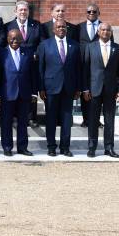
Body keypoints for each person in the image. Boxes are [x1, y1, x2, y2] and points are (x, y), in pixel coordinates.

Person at [37, 19, 81, 157]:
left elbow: (78, 68)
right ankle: (51, 147)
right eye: (58, 26)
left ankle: (65, 147)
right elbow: (41, 68)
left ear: (66, 29)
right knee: (51, 119)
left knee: (67, 119)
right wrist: (41, 88)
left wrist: (78, 88)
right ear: (53, 29)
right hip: (50, 88)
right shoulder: (45, 45)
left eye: (63, 26)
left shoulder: (74, 45)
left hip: (69, 88)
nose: (61, 28)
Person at [82, 23, 119, 158]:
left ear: (111, 33)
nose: (106, 32)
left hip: (111, 90)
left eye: (108, 30)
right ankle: (92, 147)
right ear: (99, 32)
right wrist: (85, 89)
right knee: (93, 120)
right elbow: (85, 71)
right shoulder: (90, 47)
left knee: (109, 120)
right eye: (103, 30)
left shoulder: (118, 49)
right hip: (94, 90)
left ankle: (109, 147)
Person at [0, 29, 37, 156]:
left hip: (24, 93)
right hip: (7, 94)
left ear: (22, 39)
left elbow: (33, 74)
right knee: (6, 122)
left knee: (23, 122)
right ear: (7, 39)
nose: (14, 41)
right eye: (12, 38)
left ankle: (22, 147)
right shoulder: (1, 54)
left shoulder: (28, 53)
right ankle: (7, 147)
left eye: (17, 38)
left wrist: (34, 93)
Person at [3, 0, 43, 126]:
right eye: (20, 10)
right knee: (15, 87)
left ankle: (31, 117)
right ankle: (15, 116)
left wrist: (37, 52)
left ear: (28, 11)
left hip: (32, 62)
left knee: (31, 88)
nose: (23, 12)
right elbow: (5, 44)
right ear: (15, 11)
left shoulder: (36, 25)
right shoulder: (8, 26)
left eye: (25, 10)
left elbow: (42, 43)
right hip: (14, 62)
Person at [78, 3, 110, 128]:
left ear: (99, 13)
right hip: (82, 64)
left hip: (98, 65)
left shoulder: (105, 28)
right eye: (89, 12)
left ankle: (96, 120)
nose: (91, 14)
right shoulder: (79, 27)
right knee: (84, 93)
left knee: (97, 94)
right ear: (86, 13)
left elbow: (109, 44)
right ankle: (86, 119)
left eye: (94, 12)